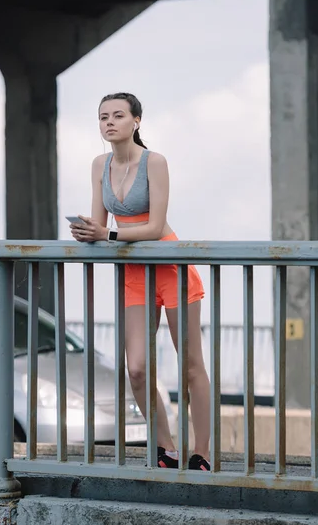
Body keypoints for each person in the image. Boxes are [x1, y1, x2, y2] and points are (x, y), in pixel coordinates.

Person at [70, 92, 211, 470]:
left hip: (170, 266)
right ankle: (166, 448)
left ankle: (202, 452)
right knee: (136, 368)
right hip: (135, 273)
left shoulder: (155, 162)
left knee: (191, 364)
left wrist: (108, 236)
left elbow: (152, 226)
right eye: (103, 117)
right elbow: (101, 225)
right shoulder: (99, 164)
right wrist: (88, 232)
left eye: (118, 115)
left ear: (136, 121)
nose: (109, 122)